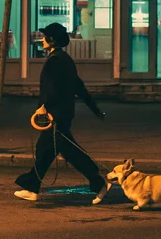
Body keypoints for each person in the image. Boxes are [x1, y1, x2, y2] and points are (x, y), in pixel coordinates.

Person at [13, 22, 111, 204]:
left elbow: (53, 89)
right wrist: (95, 109)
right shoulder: (64, 59)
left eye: (44, 37)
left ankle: (98, 183)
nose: (41, 40)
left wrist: (44, 106)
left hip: (55, 115)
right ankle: (33, 187)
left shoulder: (55, 61)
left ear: (51, 39)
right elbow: (78, 86)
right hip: (62, 114)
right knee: (54, 151)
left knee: (57, 151)